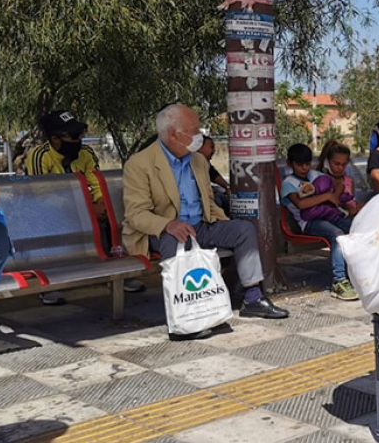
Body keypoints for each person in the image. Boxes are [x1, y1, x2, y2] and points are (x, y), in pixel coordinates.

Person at [122, 104, 288, 339]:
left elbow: (208, 203)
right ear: (173, 134)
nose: (199, 134)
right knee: (176, 239)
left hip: (201, 226)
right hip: (162, 232)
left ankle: (252, 298)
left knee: (243, 230)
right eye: (193, 130)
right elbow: (136, 214)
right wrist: (168, 224)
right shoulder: (140, 164)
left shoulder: (198, 162)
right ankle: (183, 320)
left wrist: (223, 222)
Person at [24, 110, 131, 304]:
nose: (79, 139)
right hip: (52, 213)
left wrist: (100, 203)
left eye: (80, 134)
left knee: (114, 215)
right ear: (55, 139)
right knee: (49, 221)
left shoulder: (86, 153)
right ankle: (49, 282)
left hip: (85, 210)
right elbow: (42, 194)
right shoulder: (39, 156)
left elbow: (97, 182)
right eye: (73, 135)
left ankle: (121, 271)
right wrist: (87, 209)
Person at [283, 143, 355, 300]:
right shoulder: (288, 183)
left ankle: (358, 272)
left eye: (307, 164)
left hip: (330, 215)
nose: (304, 168)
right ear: (290, 164)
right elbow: (301, 204)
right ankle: (339, 280)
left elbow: (336, 196)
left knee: (357, 228)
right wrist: (326, 196)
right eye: (299, 164)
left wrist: (335, 193)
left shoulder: (316, 176)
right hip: (308, 223)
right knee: (337, 235)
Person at [198, 135, 231, 214]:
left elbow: (214, 175)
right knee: (218, 200)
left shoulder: (206, 163)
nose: (214, 150)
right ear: (199, 147)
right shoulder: (192, 163)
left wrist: (227, 187)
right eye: (211, 147)